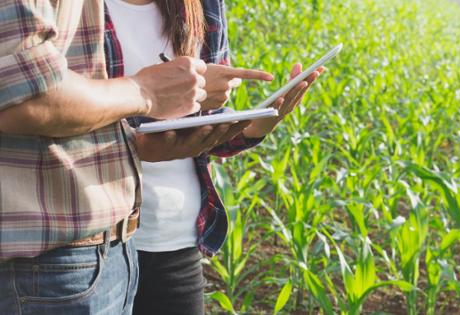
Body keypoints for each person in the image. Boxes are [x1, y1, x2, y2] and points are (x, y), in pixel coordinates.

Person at [0, 0, 239, 314]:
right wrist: (144, 93)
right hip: (55, 254)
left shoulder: (201, 7)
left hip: (122, 241)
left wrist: (252, 125)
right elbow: (27, 96)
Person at [103, 0, 323, 314]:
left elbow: (204, 128)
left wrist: (258, 123)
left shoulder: (203, 6)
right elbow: (62, 114)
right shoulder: (75, 9)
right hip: (97, 244)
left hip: (177, 238)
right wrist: (147, 113)